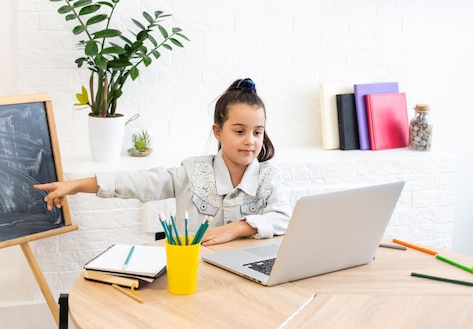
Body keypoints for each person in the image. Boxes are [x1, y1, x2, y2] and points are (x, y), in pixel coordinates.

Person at [34, 78, 292, 246]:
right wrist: (77, 185)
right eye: (239, 131)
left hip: (247, 277)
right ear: (217, 132)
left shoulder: (270, 177)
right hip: (195, 274)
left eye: (257, 132)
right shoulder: (193, 172)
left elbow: (283, 217)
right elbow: (140, 182)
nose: (250, 140)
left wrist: (237, 228)